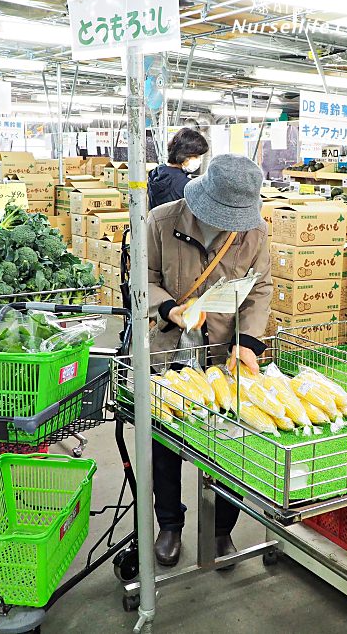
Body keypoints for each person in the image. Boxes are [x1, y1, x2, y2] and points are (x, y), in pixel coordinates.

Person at [146, 154, 272, 568]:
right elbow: (139, 278)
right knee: (165, 442)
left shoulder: (254, 233)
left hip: (223, 355)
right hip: (168, 351)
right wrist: (168, 308)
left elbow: (260, 289)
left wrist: (249, 342)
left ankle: (221, 530)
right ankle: (170, 524)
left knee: (227, 443)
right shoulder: (161, 221)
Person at [147, 127, 209, 209]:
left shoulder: (155, 173)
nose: (199, 160)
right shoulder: (186, 186)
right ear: (183, 156)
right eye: (196, 156)